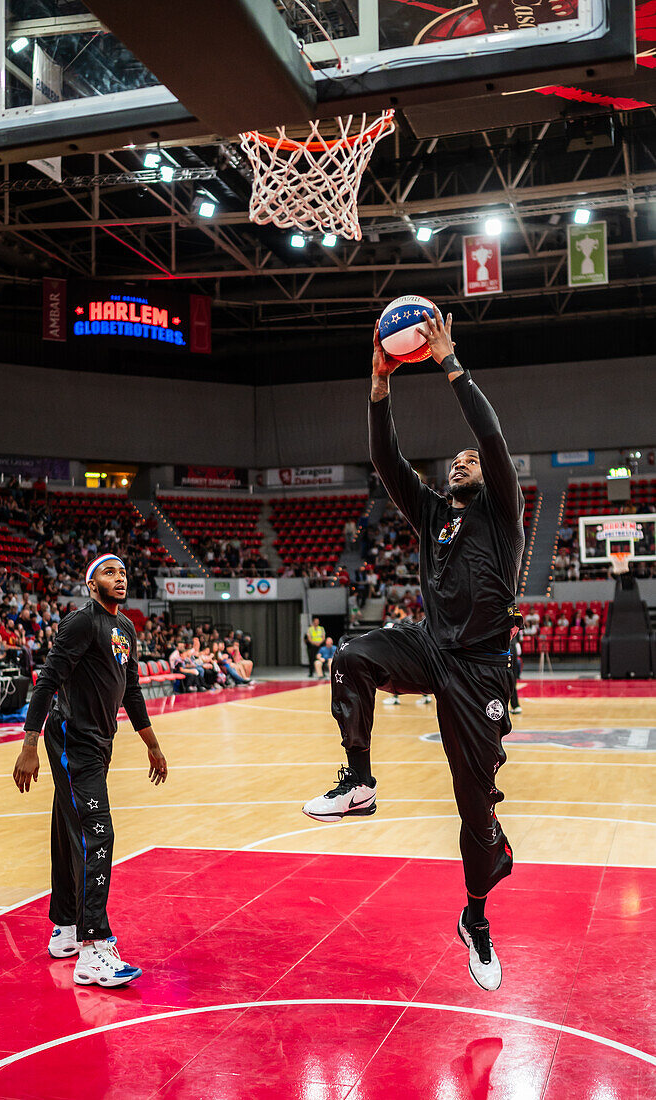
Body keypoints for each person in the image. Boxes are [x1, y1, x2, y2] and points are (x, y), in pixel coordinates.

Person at [302, 307, 525, 993]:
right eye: (453, 459)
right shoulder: (432, 514)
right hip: (431, 648)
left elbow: (489, 434)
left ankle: (477, 917)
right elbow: (384, 460)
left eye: (470, 461)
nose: (461, 460)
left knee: (475, 809)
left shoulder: (503, 513)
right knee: (351, 657)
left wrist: (450, 364)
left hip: (483, 668)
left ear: (486, 475)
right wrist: (379, 385)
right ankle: (359, 781)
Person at [12, 554, 167, 988]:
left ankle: (64, 928)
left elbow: (131, 689)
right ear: (90, 583)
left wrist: (151, 744)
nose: (119, 578)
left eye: (122, 571)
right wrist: (29, 746)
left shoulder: (126, 628)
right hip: (71, 740)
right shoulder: (81, 622)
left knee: (69, 830)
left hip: (98, 743)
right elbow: (47, 680)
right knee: (97, 832)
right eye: (109, 572)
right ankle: (93, 949)